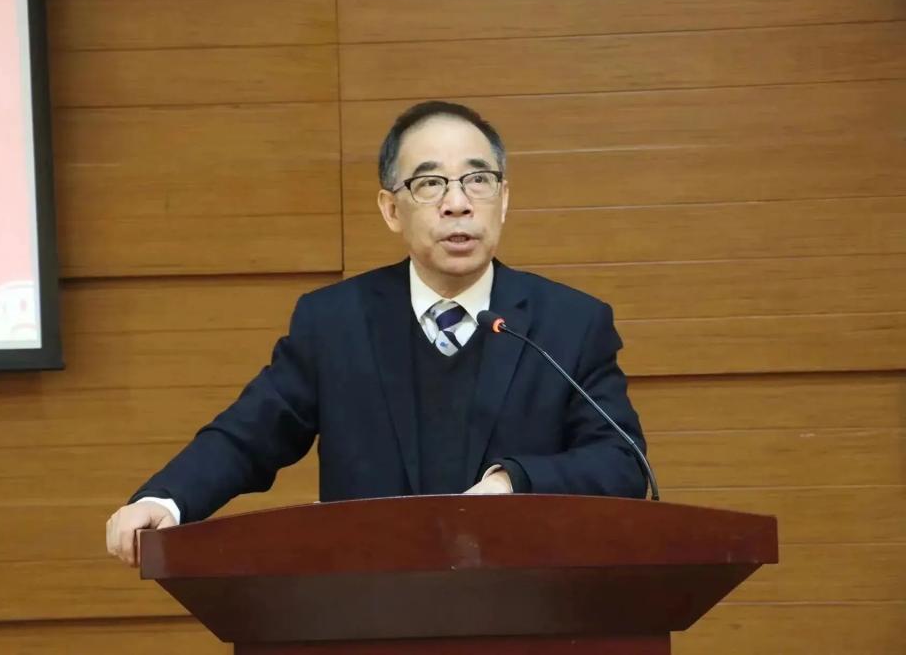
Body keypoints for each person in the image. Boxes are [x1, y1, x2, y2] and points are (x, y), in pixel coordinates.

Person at [106, 101, 648, 566]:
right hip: (369, 608)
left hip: (530, 607)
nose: (457, 202)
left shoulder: (570, 323)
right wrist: (166, 500)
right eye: (430, 183)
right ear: (391, 209)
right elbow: (249, 435)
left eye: (477, 180)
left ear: (503, 199)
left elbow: (621, 463)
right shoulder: (334, 323)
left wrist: (514, 482)